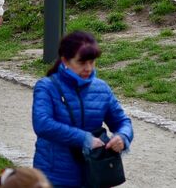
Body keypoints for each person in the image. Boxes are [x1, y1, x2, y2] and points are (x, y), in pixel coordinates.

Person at [32, 31, 133, 188]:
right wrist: (84, 139)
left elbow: (122, 121)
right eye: (81, 62)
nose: (88, 68)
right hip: (54, 175)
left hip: (95, 174)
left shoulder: (102, 88)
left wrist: (123, 137)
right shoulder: (47, 87)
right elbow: (42, 124)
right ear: (65, 60)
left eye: (92, 62)